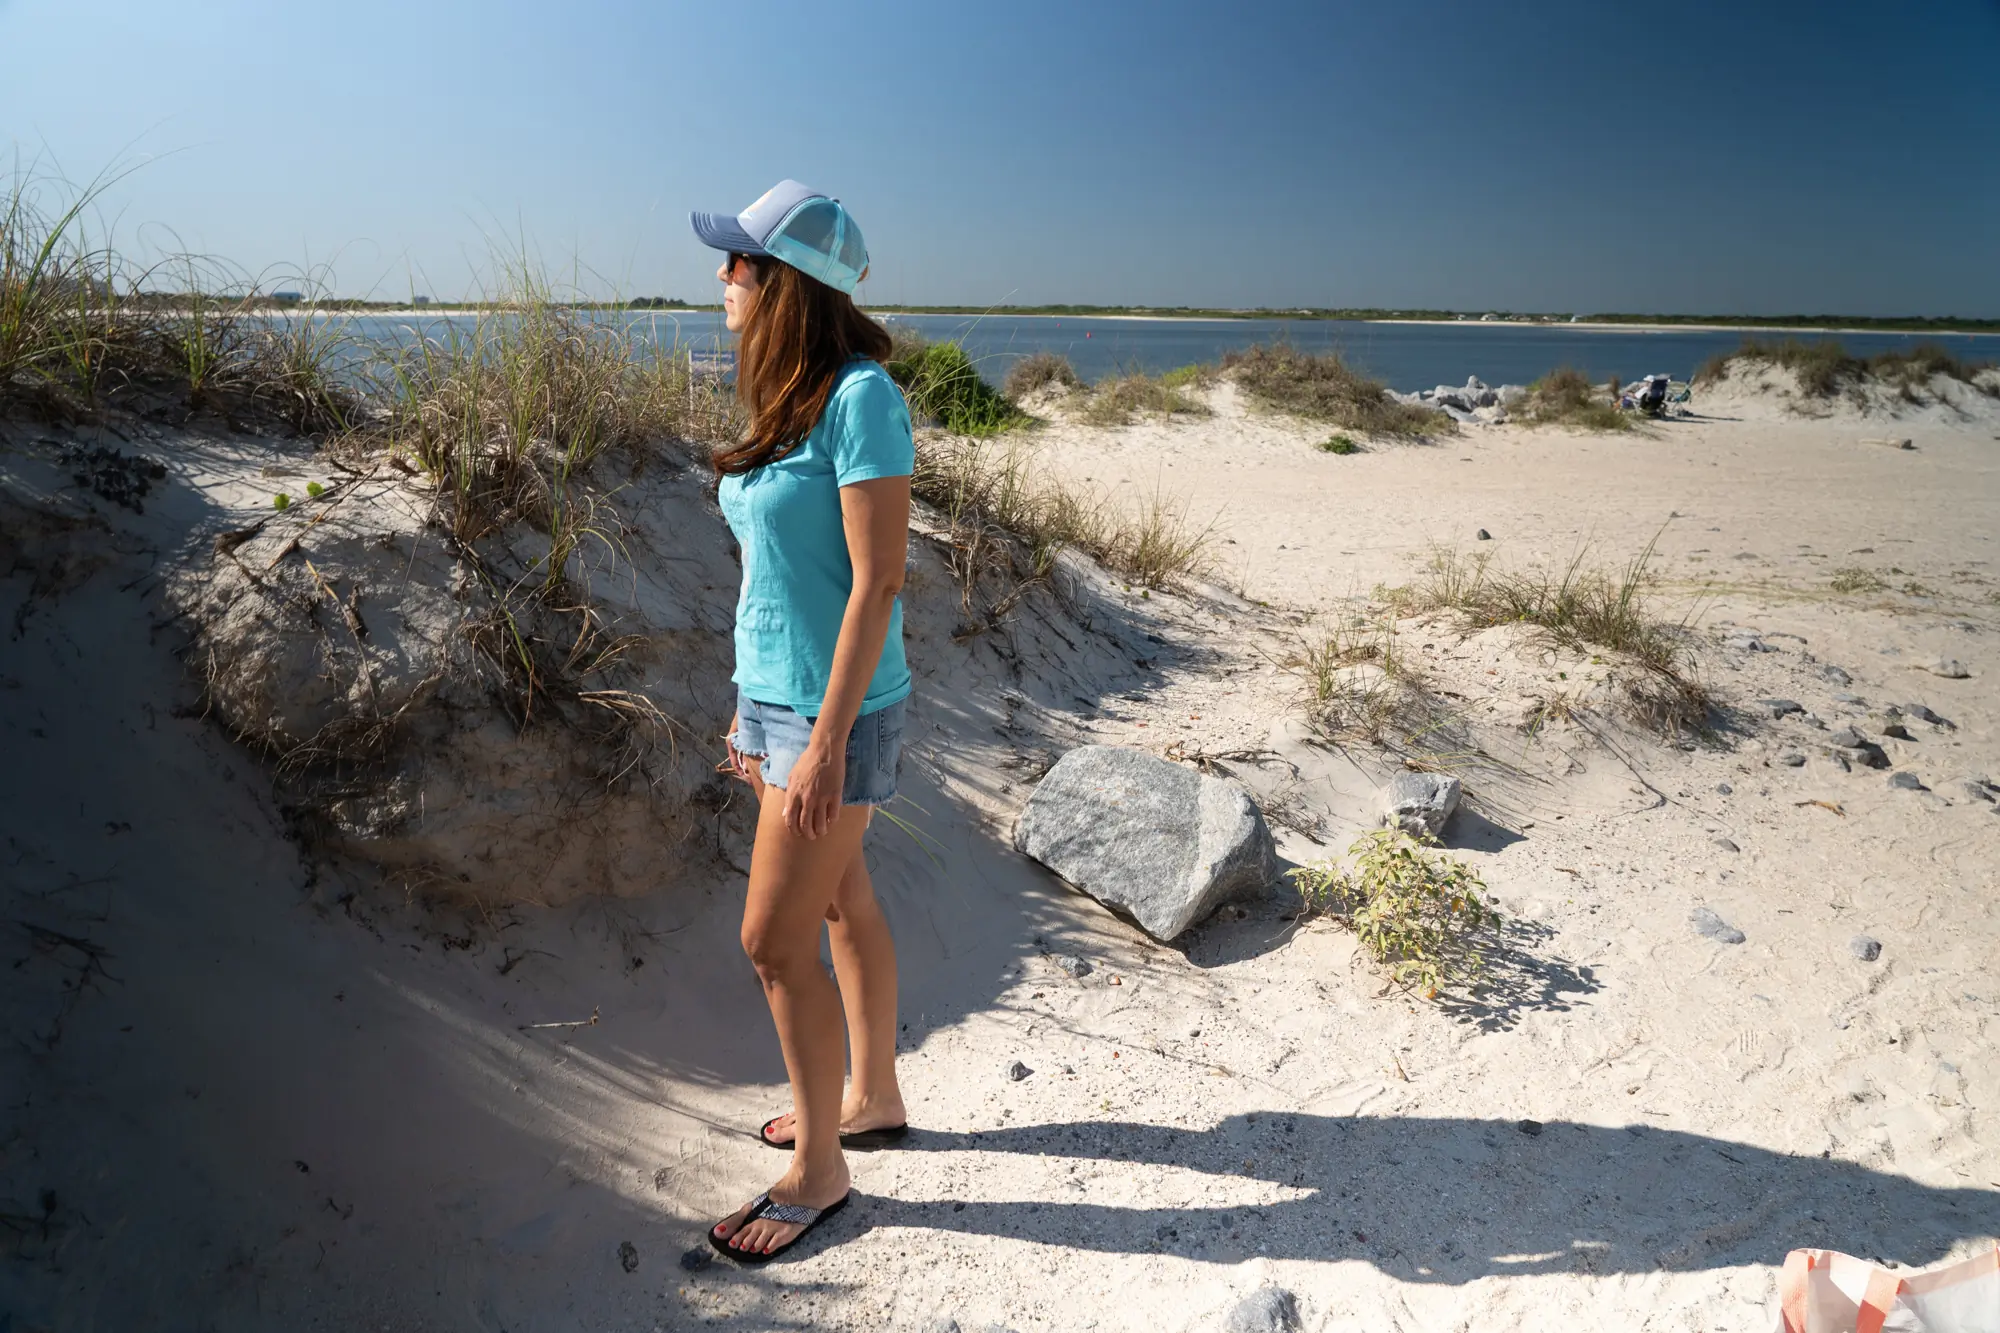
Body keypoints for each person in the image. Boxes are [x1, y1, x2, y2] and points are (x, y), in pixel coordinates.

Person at [691, 181, 913, 1264]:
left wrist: (822, 741)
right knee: (841, 902)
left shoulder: (860, 396)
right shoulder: (787, 396)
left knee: (771, 941)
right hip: (782, 704)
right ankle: (867, 1098)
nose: (722, 280)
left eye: (738, 264)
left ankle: (819, 1167)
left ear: (787, 283)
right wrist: (752, 707)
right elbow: (773, 580)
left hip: (840, 713)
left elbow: (875, 585)